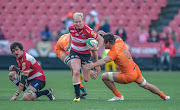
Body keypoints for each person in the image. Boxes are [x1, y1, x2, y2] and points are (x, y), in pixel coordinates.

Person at [86, 31, 170, 101]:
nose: (103, 45)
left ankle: (118, 96)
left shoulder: (113, 52)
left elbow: (104, 60)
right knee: (146, 85)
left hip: (128, 75)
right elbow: (117, 36)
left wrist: (92, 65)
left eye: (104, 43)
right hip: (136, 71)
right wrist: (106, 35)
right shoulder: (120, 42)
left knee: (104, 76)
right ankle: (164, 96)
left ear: (108, 42)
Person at [65, 12, 104, 102]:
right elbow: (71, 34)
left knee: (86, 79)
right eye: (76, 22)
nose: (78, 24)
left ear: (83, 21)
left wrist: (97, 48)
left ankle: (87, 70)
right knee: (75, 71)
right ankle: (77, 96)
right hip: (74, 51)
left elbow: (100, 39)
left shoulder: (88, 31)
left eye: (79, 21)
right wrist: (69, 44)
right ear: (73, 21)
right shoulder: (71, 27)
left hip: (86, 54)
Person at [54, 33, 100, 99]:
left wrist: (96, 64)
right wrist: (89, 71)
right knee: (73, 66)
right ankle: (80, 88)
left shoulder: (86, 40)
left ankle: (80, 87)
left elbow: (94, 51)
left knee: (85, 77)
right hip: (60, 49)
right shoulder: (69, 43)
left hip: (71, 46)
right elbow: (75, 61)